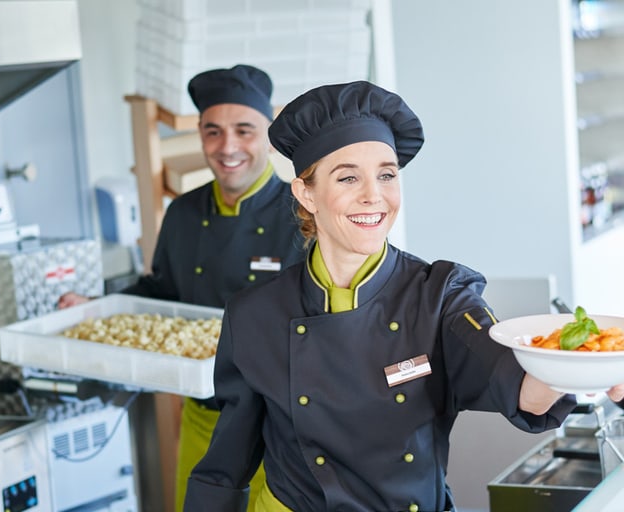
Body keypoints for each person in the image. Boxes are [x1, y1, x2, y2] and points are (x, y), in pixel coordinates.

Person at [183, 80, 624, 512]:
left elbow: (522, 390)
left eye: (387, 175)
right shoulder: (255, 315)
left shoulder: (441, 296)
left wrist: (585, 362)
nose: (374, 197)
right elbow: (224, 468)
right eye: (348, 177)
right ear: (306, 193)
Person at [59, 64, 306, 510]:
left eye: (244, 130)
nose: (227, 147)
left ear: (269, 134)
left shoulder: (302, 215)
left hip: (283, 427)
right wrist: (97, 306)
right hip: (203, 418)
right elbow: (161, 291)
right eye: (212, 132)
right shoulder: (184, 213)